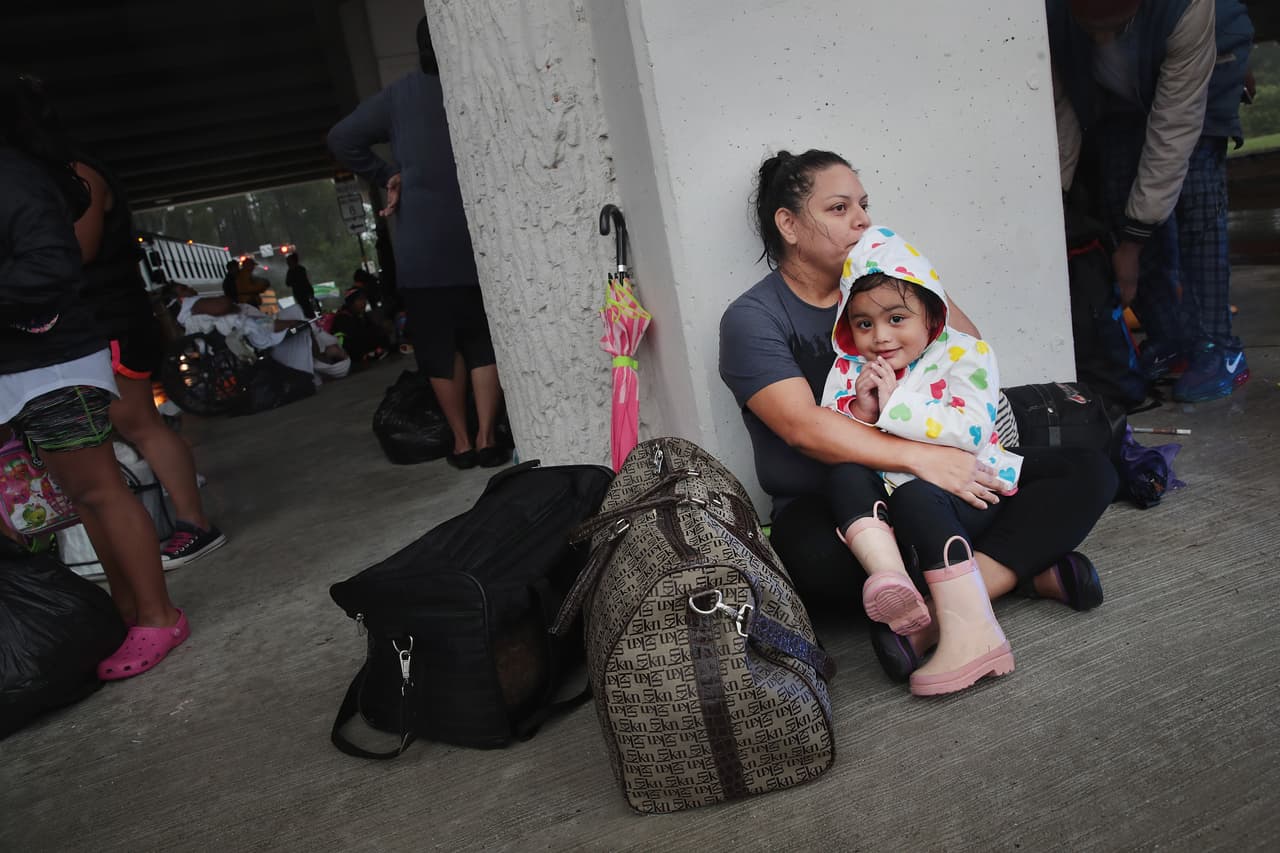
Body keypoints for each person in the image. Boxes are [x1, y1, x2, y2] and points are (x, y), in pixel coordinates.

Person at [718, 150, 1119, 687]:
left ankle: (934, 614)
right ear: (788, 224)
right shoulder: (753, 318)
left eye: (863, 205)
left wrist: (916, 279)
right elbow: (802, 428)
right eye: (838, 208)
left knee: (1087, 470)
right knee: (813, 561)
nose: (861, 220)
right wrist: (923, 458)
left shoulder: (887, 282)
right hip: (842, 503)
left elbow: (969, 353)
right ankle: (1022, 569)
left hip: (940, 482)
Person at [1, 71, 187, 679]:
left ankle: (158, 616)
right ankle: (132, 610)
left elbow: (51, 267)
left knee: (101, 492)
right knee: (86, 499)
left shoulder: (12, 175)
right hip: (31, 363)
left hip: (51, 362)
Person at [818, 229, 1025, 695]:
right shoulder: (849, 367)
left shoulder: (966, 354)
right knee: (844, 472)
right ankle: (891, 581)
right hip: (883, 521)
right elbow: (834, 433)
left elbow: (970, 430)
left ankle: (976, 638)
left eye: (896, 318)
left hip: (959, 496)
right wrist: (862, 413)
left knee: (914, 495)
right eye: (864, 323)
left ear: (932, 311)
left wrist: (893, 409)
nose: (880, 337)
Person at [1047, 0, 1255, 402]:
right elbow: (1061, 113)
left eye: (1113, 23)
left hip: (1197, 83)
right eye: (1091, 25)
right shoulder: (1047, 15)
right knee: (1115, 193)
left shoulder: (1187, 8)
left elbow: (1174, 128)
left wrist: (1133, 242)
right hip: (1115, 97)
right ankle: (1170, 338)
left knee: (1196, 200)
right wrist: (1057, 198)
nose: (1103, 36)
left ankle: (1218, 348)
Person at [327, 16, 510, 470]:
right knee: (483, 340)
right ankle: (489, 438)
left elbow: (341, 138)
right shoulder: (482, 85)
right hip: (479, 241)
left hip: (424, 251)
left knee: (438, 347)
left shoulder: (400, 95)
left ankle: (462, 443)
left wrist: (385, 174)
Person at [70, 148, 227, 569]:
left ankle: (195, 523)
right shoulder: (69, 171)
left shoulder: (79, 172)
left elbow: (76, 250)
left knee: (138, 423)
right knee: (130, 427)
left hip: (110, 318)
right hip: (102, 319)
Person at [285, 252, 317, 318]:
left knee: (306, 309)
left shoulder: (292, 271)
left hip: (301, 293)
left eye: (288, 261)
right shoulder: (300, 269)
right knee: (308, 309)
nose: (287, 263)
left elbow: (288, 283)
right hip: (304, 293)